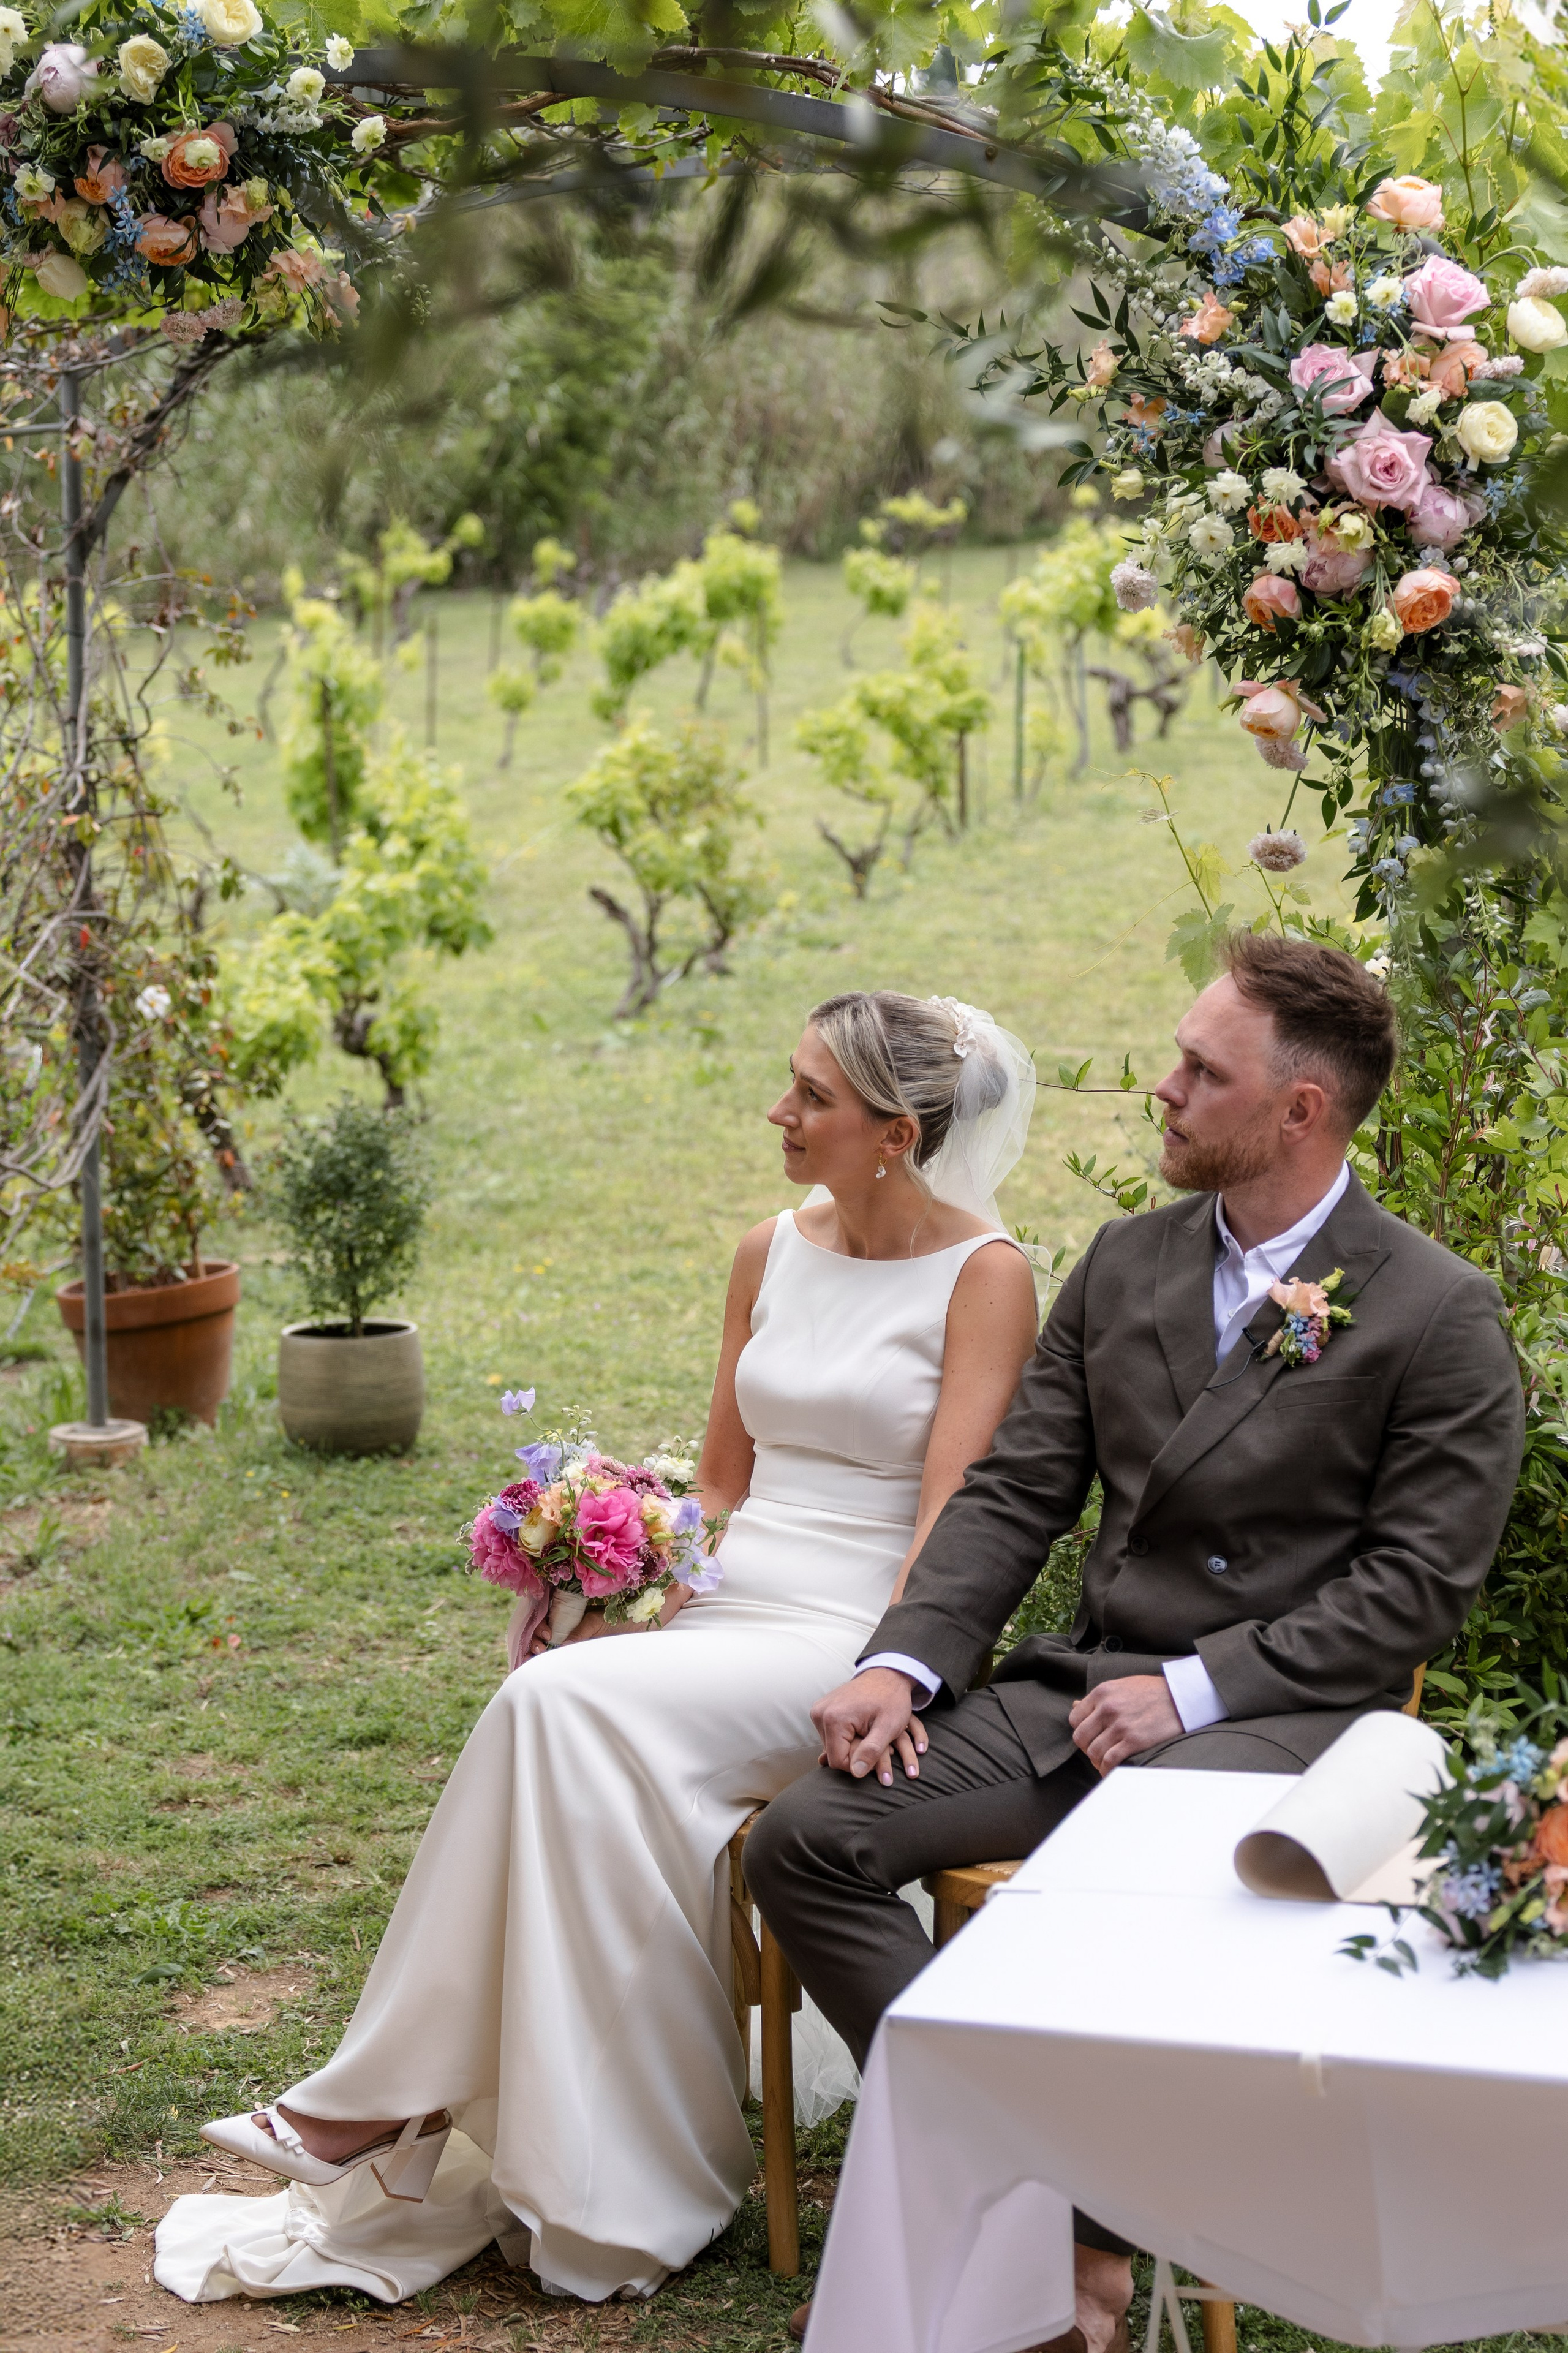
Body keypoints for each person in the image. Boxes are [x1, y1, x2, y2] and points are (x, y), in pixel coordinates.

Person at [156, 990, 1040, 2310]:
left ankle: (379, 2104)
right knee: (563, 1710)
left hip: (857, 1631)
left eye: (810, 1096)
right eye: (786, 1082)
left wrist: (893, 1664)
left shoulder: (986, 1276)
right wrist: (600, 1564)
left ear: (896, 1132)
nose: (776, 1111)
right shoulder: (767, 1249)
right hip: (733, 1602)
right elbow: (723, 1488)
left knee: (557, 1712)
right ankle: (584, 2164)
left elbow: (949, 1525)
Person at [745, 934, 1526, 2353]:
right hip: (1077, 1693)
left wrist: (1194, 1689)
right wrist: (900, 1661)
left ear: (1297, 1109)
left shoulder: (1435, 1312)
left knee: (1134, 1877)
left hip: (1282, 1719)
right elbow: (1012, 1494)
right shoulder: (1124, 1261)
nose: (1158, 1089)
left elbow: (1414, 1591)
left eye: (1197, 1070)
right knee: (803, 1842)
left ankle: (1080, 2257)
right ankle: (1048, 2194)